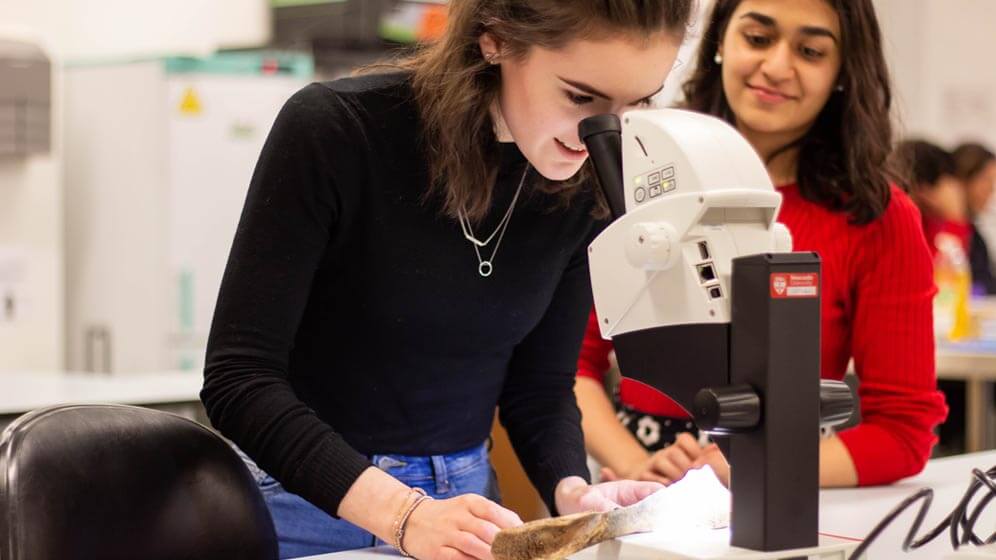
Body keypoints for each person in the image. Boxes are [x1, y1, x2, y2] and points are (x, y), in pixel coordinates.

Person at [201, 1, 695, 558]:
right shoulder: (338, 132)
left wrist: (572, 489)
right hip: (302, 504)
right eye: (580, 97)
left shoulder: (587, 177)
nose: (601, 136)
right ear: (495, 40)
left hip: (467, 505)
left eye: (637, 103)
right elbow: (238, 380)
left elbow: (539, 387)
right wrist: (403, 514)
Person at [576, 0, 948, 489]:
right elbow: (570, 368)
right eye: (757, 38)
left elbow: (902, 432)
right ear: (719, 45)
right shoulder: (634, 178)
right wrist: (635, 466)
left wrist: (757, 466)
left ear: (842, 71)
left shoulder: (879, 218)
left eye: (811, 51)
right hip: (638, 486)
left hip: (786, 488)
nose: (776, 67)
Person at [953, 142, 996, 295]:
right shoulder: (942, 230)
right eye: (986, 180)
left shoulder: (974, 234)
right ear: (963, 178)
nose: (990, 190)